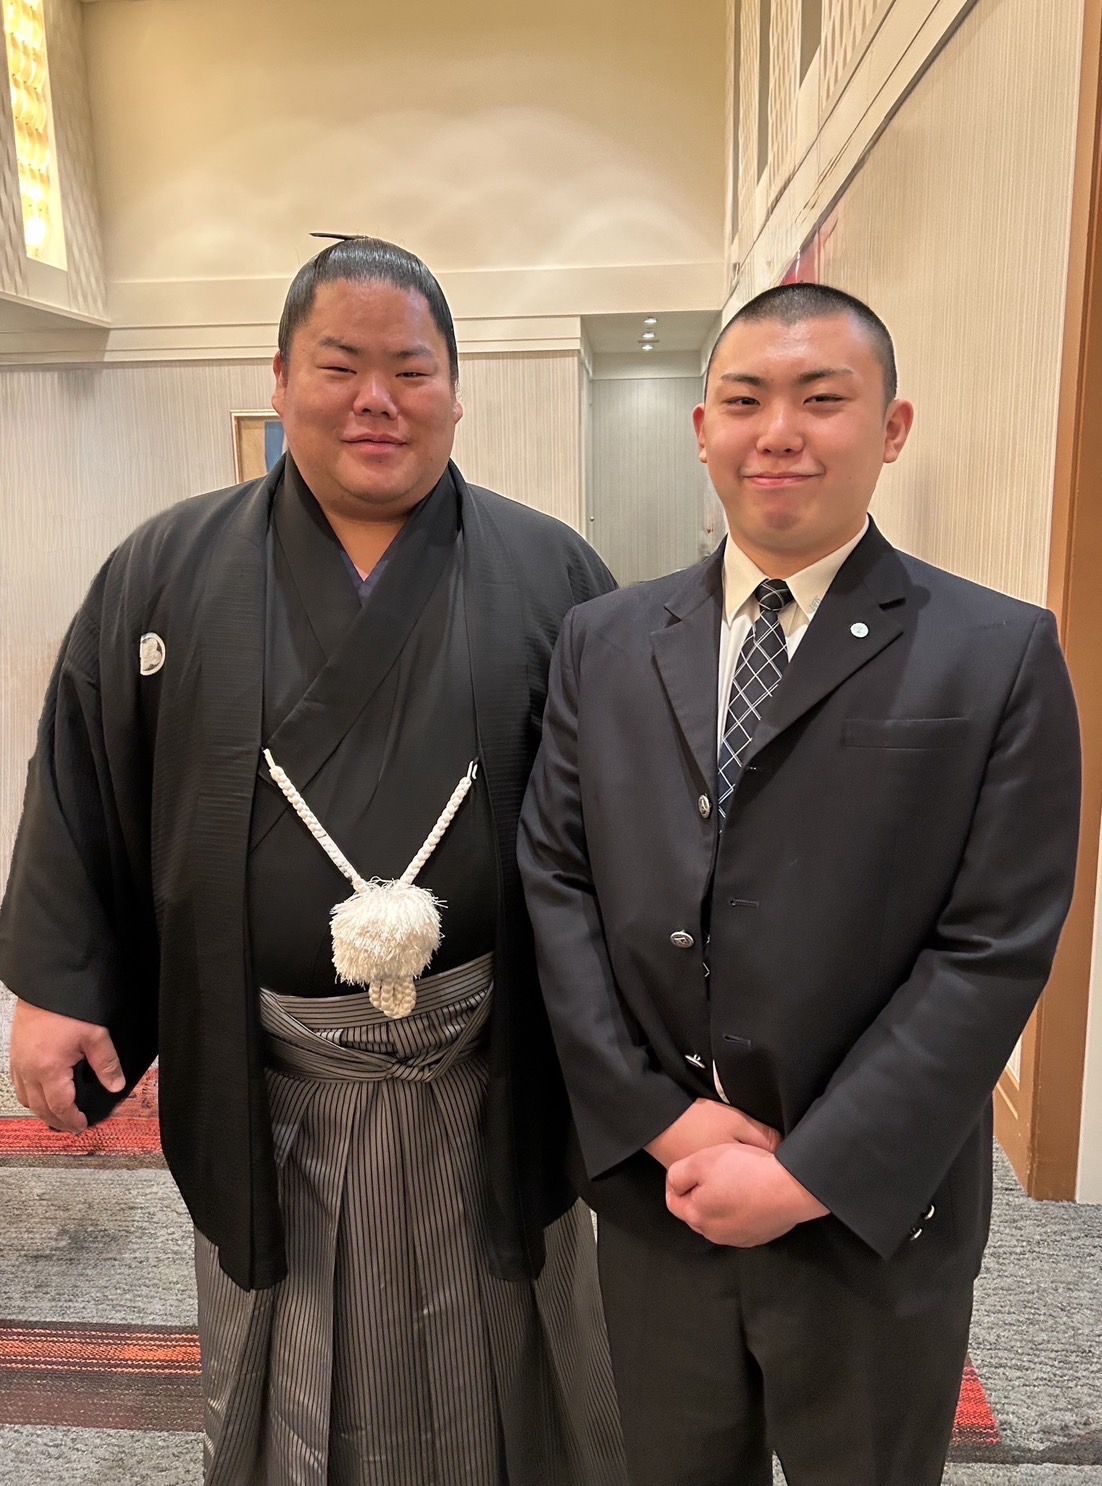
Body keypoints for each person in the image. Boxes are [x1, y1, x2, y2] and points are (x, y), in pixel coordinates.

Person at [1, 236, 626, 1485]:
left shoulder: (552, 572)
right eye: (340, 366)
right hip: (269, 1075)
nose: (375, 399)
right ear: (281, 381)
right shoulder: (166, 570)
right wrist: (61, 987)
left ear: (456, 392)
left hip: (492, 1067)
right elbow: (85, 779)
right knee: (283, 1364)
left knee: (521, 1360)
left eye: (411, 369)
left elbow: (631, 815)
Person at [518, 282, 1081, 1486]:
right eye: (744, 400)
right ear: (701, 429)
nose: (778, 431)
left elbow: (991, 947)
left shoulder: (997, 653)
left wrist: (806, 1171)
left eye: (822, 399)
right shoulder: (604, 642)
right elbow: (556, 882)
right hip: (663, 1189)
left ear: (891, 427)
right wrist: (655, 1115)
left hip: (872, 1212)